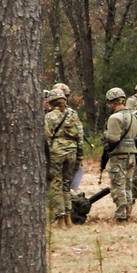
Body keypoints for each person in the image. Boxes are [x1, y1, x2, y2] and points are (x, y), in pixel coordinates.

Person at [44, 87, 84, 227]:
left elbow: (46, 137)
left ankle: (60, 217)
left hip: (56, 152)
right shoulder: (73, 114)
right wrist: (80, 156)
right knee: (67, 185)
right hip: (72, 151)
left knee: (56, 184)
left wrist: (46, 156)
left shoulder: (49, 117)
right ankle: (68, 217)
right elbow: (80, 136)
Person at [103, 87, 137, 222]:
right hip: (131, 155)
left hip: (118, 156)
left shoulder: (114, 118)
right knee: (127, 184)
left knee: (118, 186)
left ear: (112, 102)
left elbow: (113, 138)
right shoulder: (135, 117)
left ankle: (121, 215)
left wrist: (105, 134)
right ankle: (128, 211)